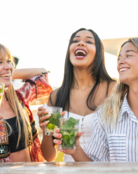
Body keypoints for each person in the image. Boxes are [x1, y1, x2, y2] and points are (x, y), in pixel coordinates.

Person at [38, 28, 116, 162]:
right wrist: (46, 130)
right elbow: (50, 157)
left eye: (89, 41)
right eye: (75, 41)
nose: (80, 43)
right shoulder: (56, 96)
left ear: (98, 53)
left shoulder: (114, 90)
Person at [0, 42, 52, 162]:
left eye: (8, 61)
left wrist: (7, 73)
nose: (8, 66)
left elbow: (42, 74)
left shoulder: (20, 98)